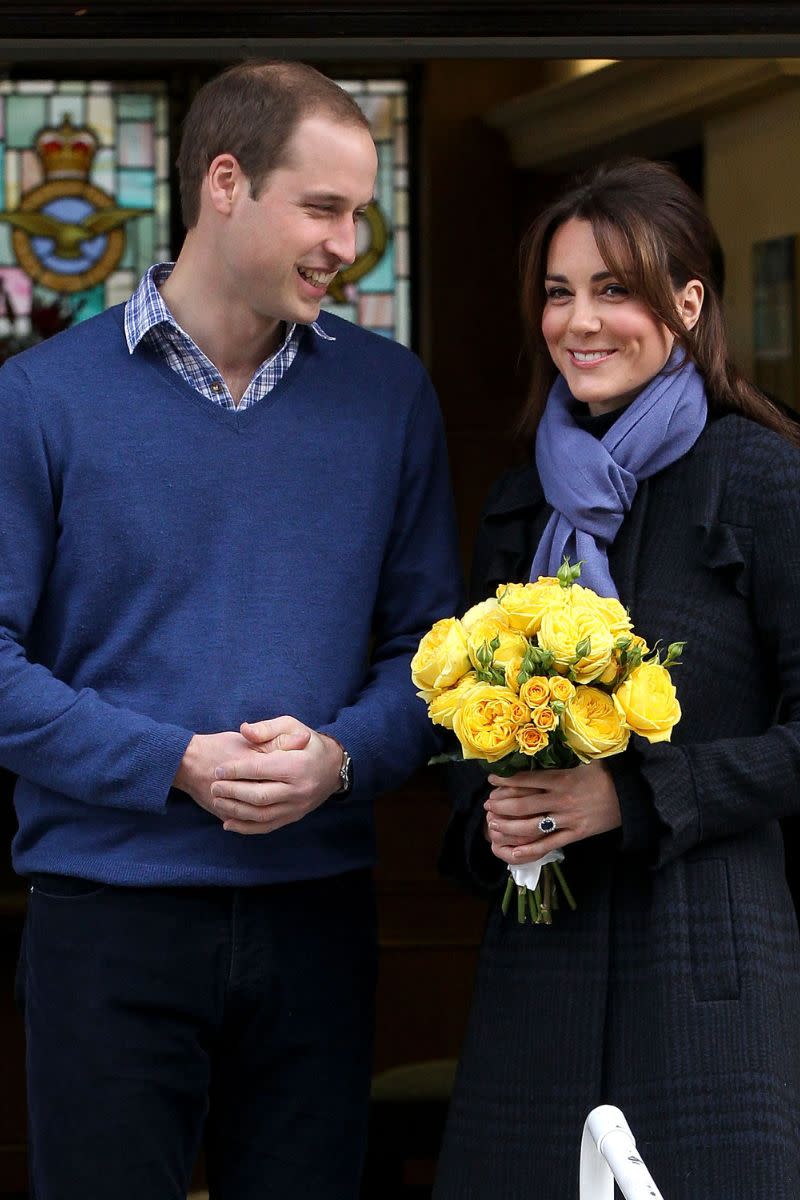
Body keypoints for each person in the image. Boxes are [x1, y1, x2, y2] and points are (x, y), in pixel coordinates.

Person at [3, 60, 461, 1200]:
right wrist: (173, 764)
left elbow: (433, 647)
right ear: (224, 182)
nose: (346, 241)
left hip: (316, 913)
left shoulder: (389, 395)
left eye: (359, 213)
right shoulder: (41, 399)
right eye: (322, 207)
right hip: (106, 917)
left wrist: (346, 758)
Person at [433, 158, 800, 1199]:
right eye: (558, 292)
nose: (579, 321)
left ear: (685, 304)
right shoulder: (516, 502)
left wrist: (626, 796)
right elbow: (465, 743)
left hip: (705, 974)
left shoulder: (760, 473)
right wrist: (488, 821)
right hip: (537, 979)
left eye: (614, 289)